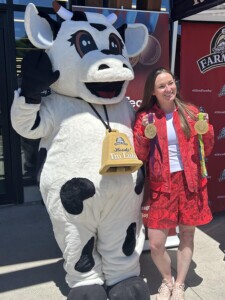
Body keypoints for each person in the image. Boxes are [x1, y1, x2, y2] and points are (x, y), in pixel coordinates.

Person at [133, 67, 214, 300]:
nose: (169, 89)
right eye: (162, 86)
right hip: (162, 185)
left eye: (171, 83)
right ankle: (166, 280)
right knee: (157, 243)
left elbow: (207, 148)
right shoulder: (146, 117)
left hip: (190, 183)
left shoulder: (191, 112)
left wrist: (206, 129)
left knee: (187, 235)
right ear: (153, 92)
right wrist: (142, 137)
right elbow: (139, 154)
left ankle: (179, 284)